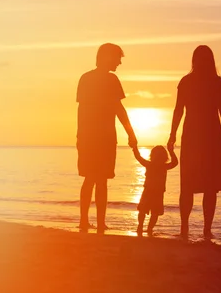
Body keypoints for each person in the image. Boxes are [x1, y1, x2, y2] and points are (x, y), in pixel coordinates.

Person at [168, 45, 221, 238]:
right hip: (208, 136)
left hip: (196, 135)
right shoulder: (214, 82)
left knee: (193, 186)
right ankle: (203, 229)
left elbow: (179, 111)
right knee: (207, 187)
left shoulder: (189, 81)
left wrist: (172, 135)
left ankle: (190, 228)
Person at [76, 43, 138, 233]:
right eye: (118, 58)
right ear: (108, 57)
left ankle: (86, 221)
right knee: (99, 180)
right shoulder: (110, 80)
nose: (119, 62)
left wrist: (80, 135)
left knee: (91, 179)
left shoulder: (86, 78)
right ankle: (97, 223)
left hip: (90, 136)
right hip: (102, 137)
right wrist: (131, 134)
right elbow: (118, 109)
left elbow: (82, 110)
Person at [132, 145, 179, 236]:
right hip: (154, 192)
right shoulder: (162, 166)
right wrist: (171, 151)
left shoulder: (152, 165)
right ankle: (146, 228)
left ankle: (142, 227)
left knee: (147, 211)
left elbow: (138, 157)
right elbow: (175, 163)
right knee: (153, 212)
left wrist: (135, 148)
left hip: (152, 192)